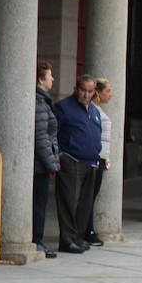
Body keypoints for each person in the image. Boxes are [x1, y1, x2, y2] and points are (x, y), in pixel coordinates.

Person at [52, 75, 103, 253]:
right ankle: (67, 240)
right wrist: (60, 155)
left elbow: (97, 132)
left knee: (85, 203)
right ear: (76, 89)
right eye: (83, 90)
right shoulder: (64, 108)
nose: (86, 94)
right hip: (71, 160)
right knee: (69, 202)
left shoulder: (94, 111)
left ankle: (78, 237)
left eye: (90, 91)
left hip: (91, 161)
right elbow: (53, 132)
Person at [82, 77, 115, 246]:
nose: (110, 94)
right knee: (88, 197)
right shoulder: (92, 110)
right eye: (107, 91)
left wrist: (107, 159)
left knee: (91, 196)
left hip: (100, 158)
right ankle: (87, 230)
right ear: (98, 93)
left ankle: (88, 229)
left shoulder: (98, 110)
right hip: (94, 158)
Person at [33, 62, 60, 258]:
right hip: (38, 164)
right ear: (41, 79)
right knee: (38, 204)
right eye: (50, 76)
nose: (53, 79)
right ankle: (36, 240)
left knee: (41, 203)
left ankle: (38, 239)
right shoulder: (39, 102)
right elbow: (41, 136)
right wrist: (52, 163)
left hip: (41, 163)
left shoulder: (43, 101)